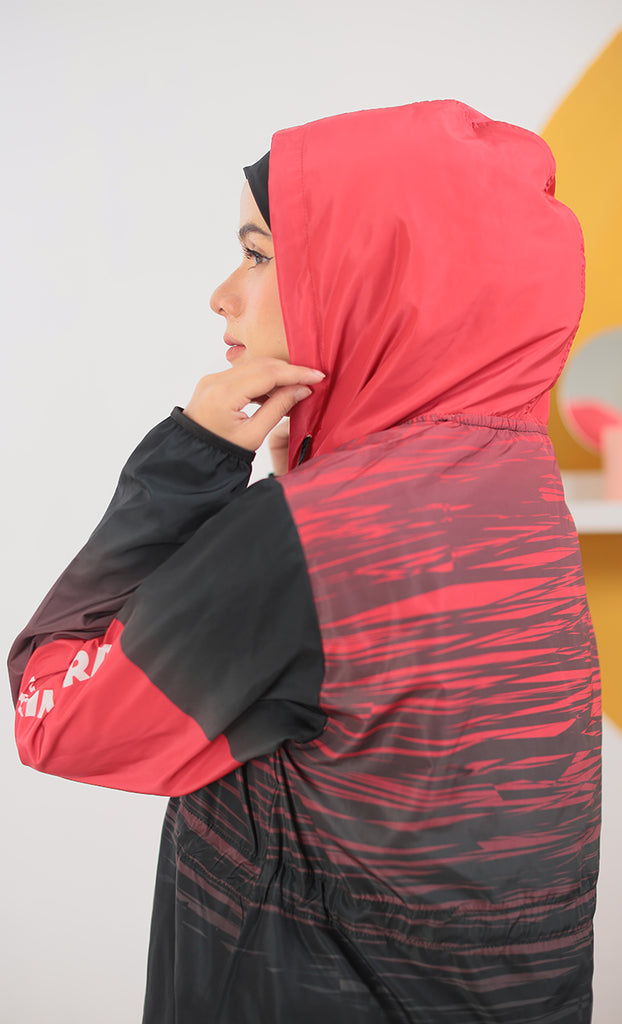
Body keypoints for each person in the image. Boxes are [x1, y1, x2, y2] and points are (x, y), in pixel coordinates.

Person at [8, 100, 601, 1023]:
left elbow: (56, 718)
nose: (222, 296)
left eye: (256, 255)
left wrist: (191, 459)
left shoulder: (312, 540)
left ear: (369, 274)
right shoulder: (519, 485)